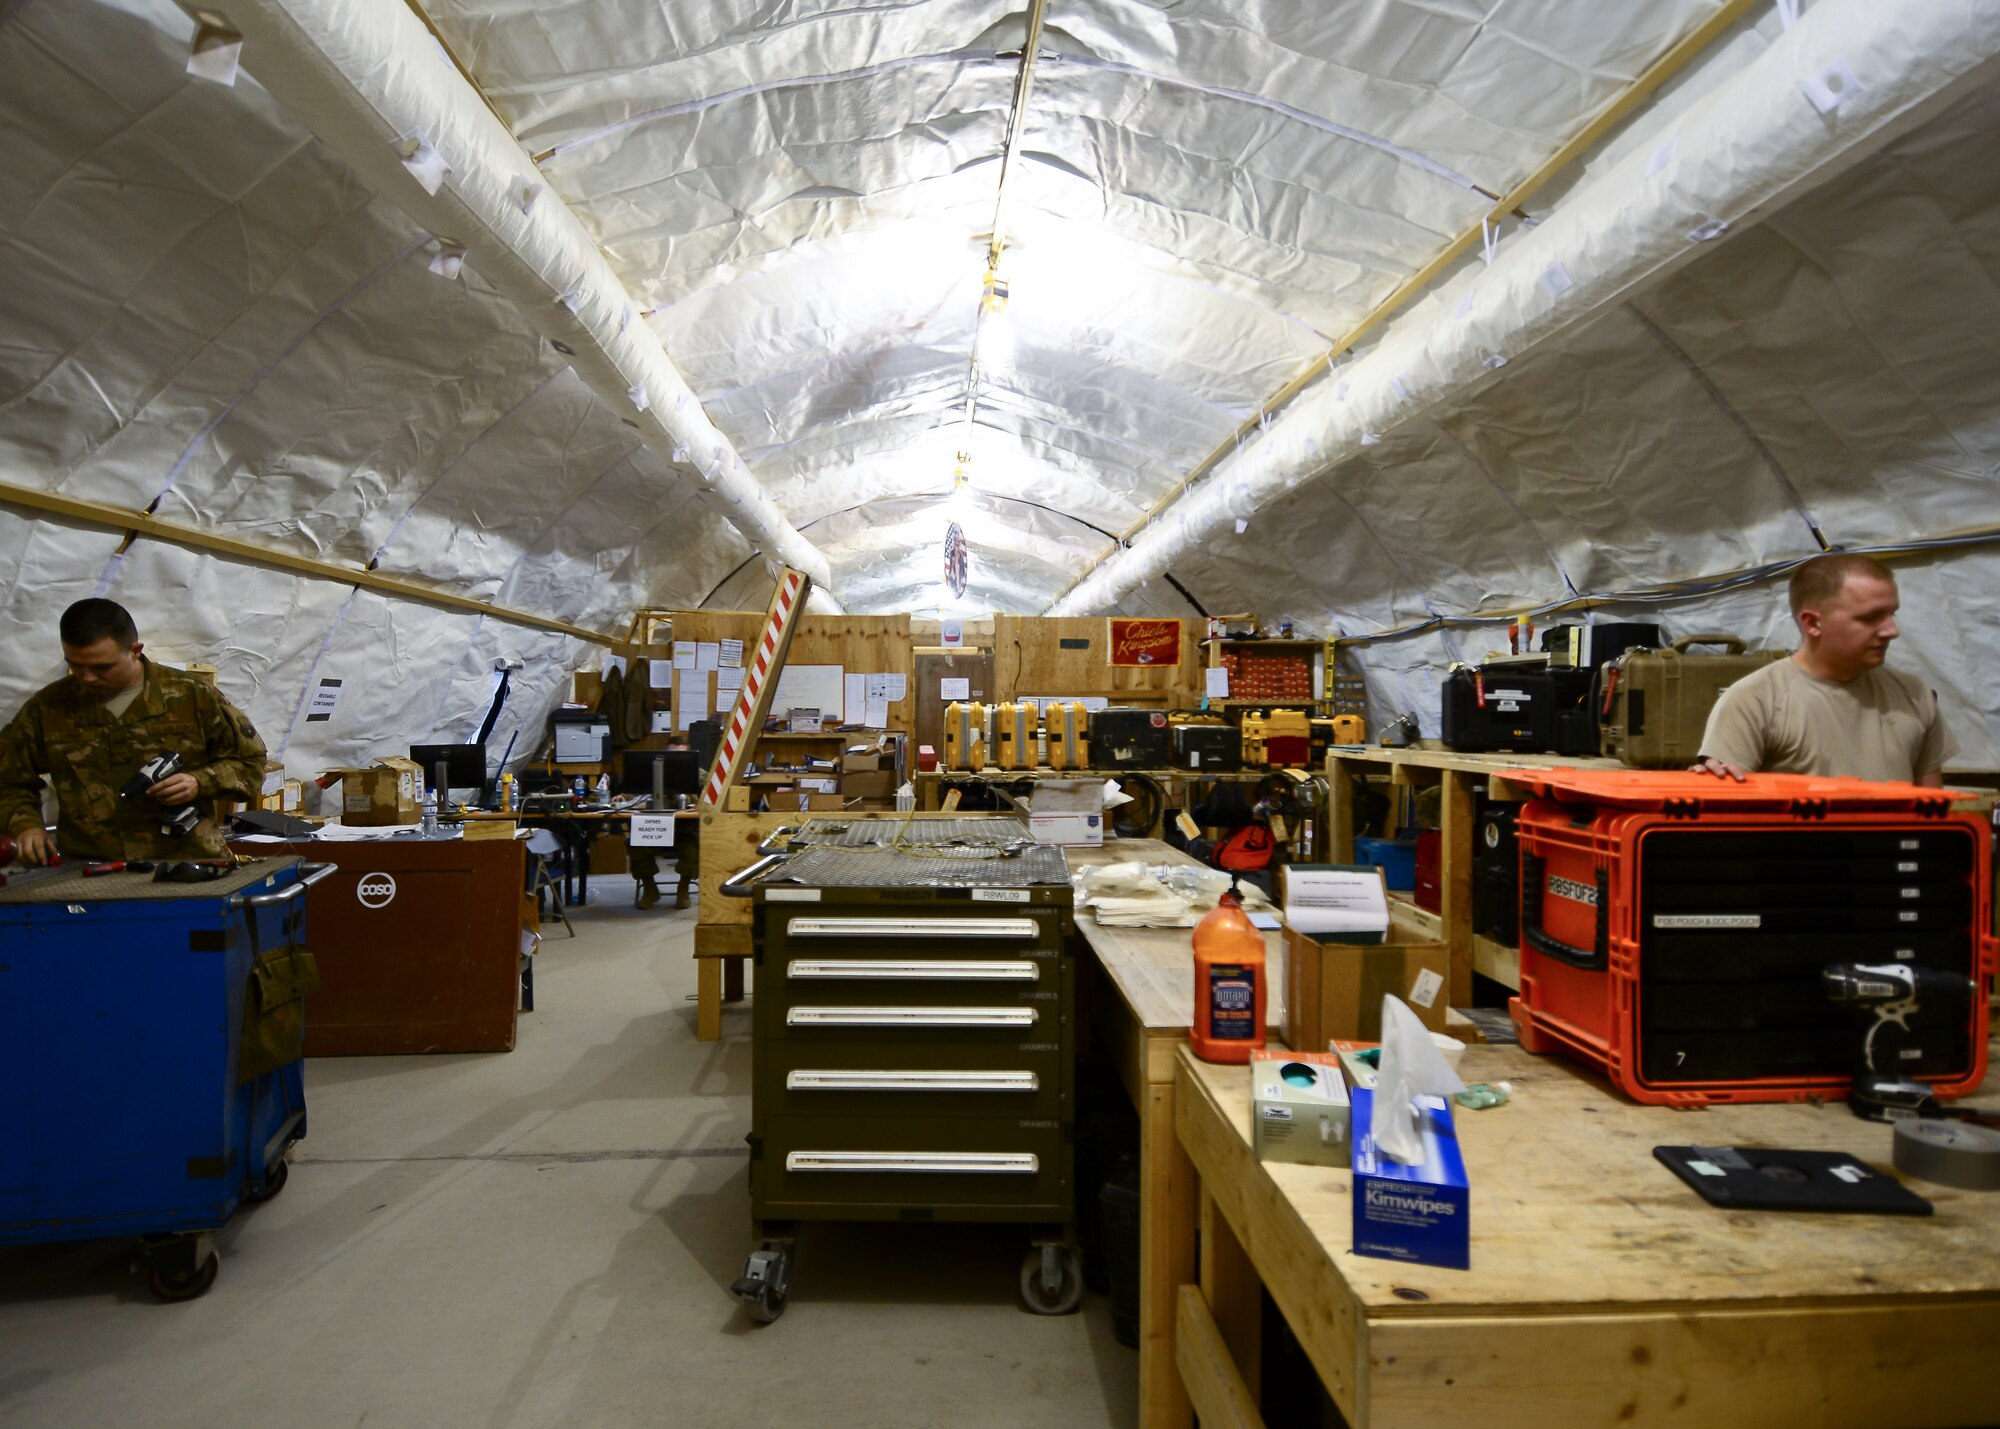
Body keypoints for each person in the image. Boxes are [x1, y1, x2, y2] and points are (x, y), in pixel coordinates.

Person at [0, 599, 268, 864]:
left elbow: (251, 762)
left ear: (135, 650)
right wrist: (26, 825)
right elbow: (9, 779)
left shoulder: (192, 697)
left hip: (186, 863)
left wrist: (200, 782)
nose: (87, 677)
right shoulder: (49, 707)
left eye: (101, 667)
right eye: (76, 665)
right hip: (92, 869)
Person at [1692, 554, 1956, 786]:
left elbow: (1932, 813)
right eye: (1870, 617)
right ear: (1813, 623)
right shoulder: (1754, 701)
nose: (1891, 631)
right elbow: (1727, 815)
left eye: (1892, 615)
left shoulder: (1914, 695)